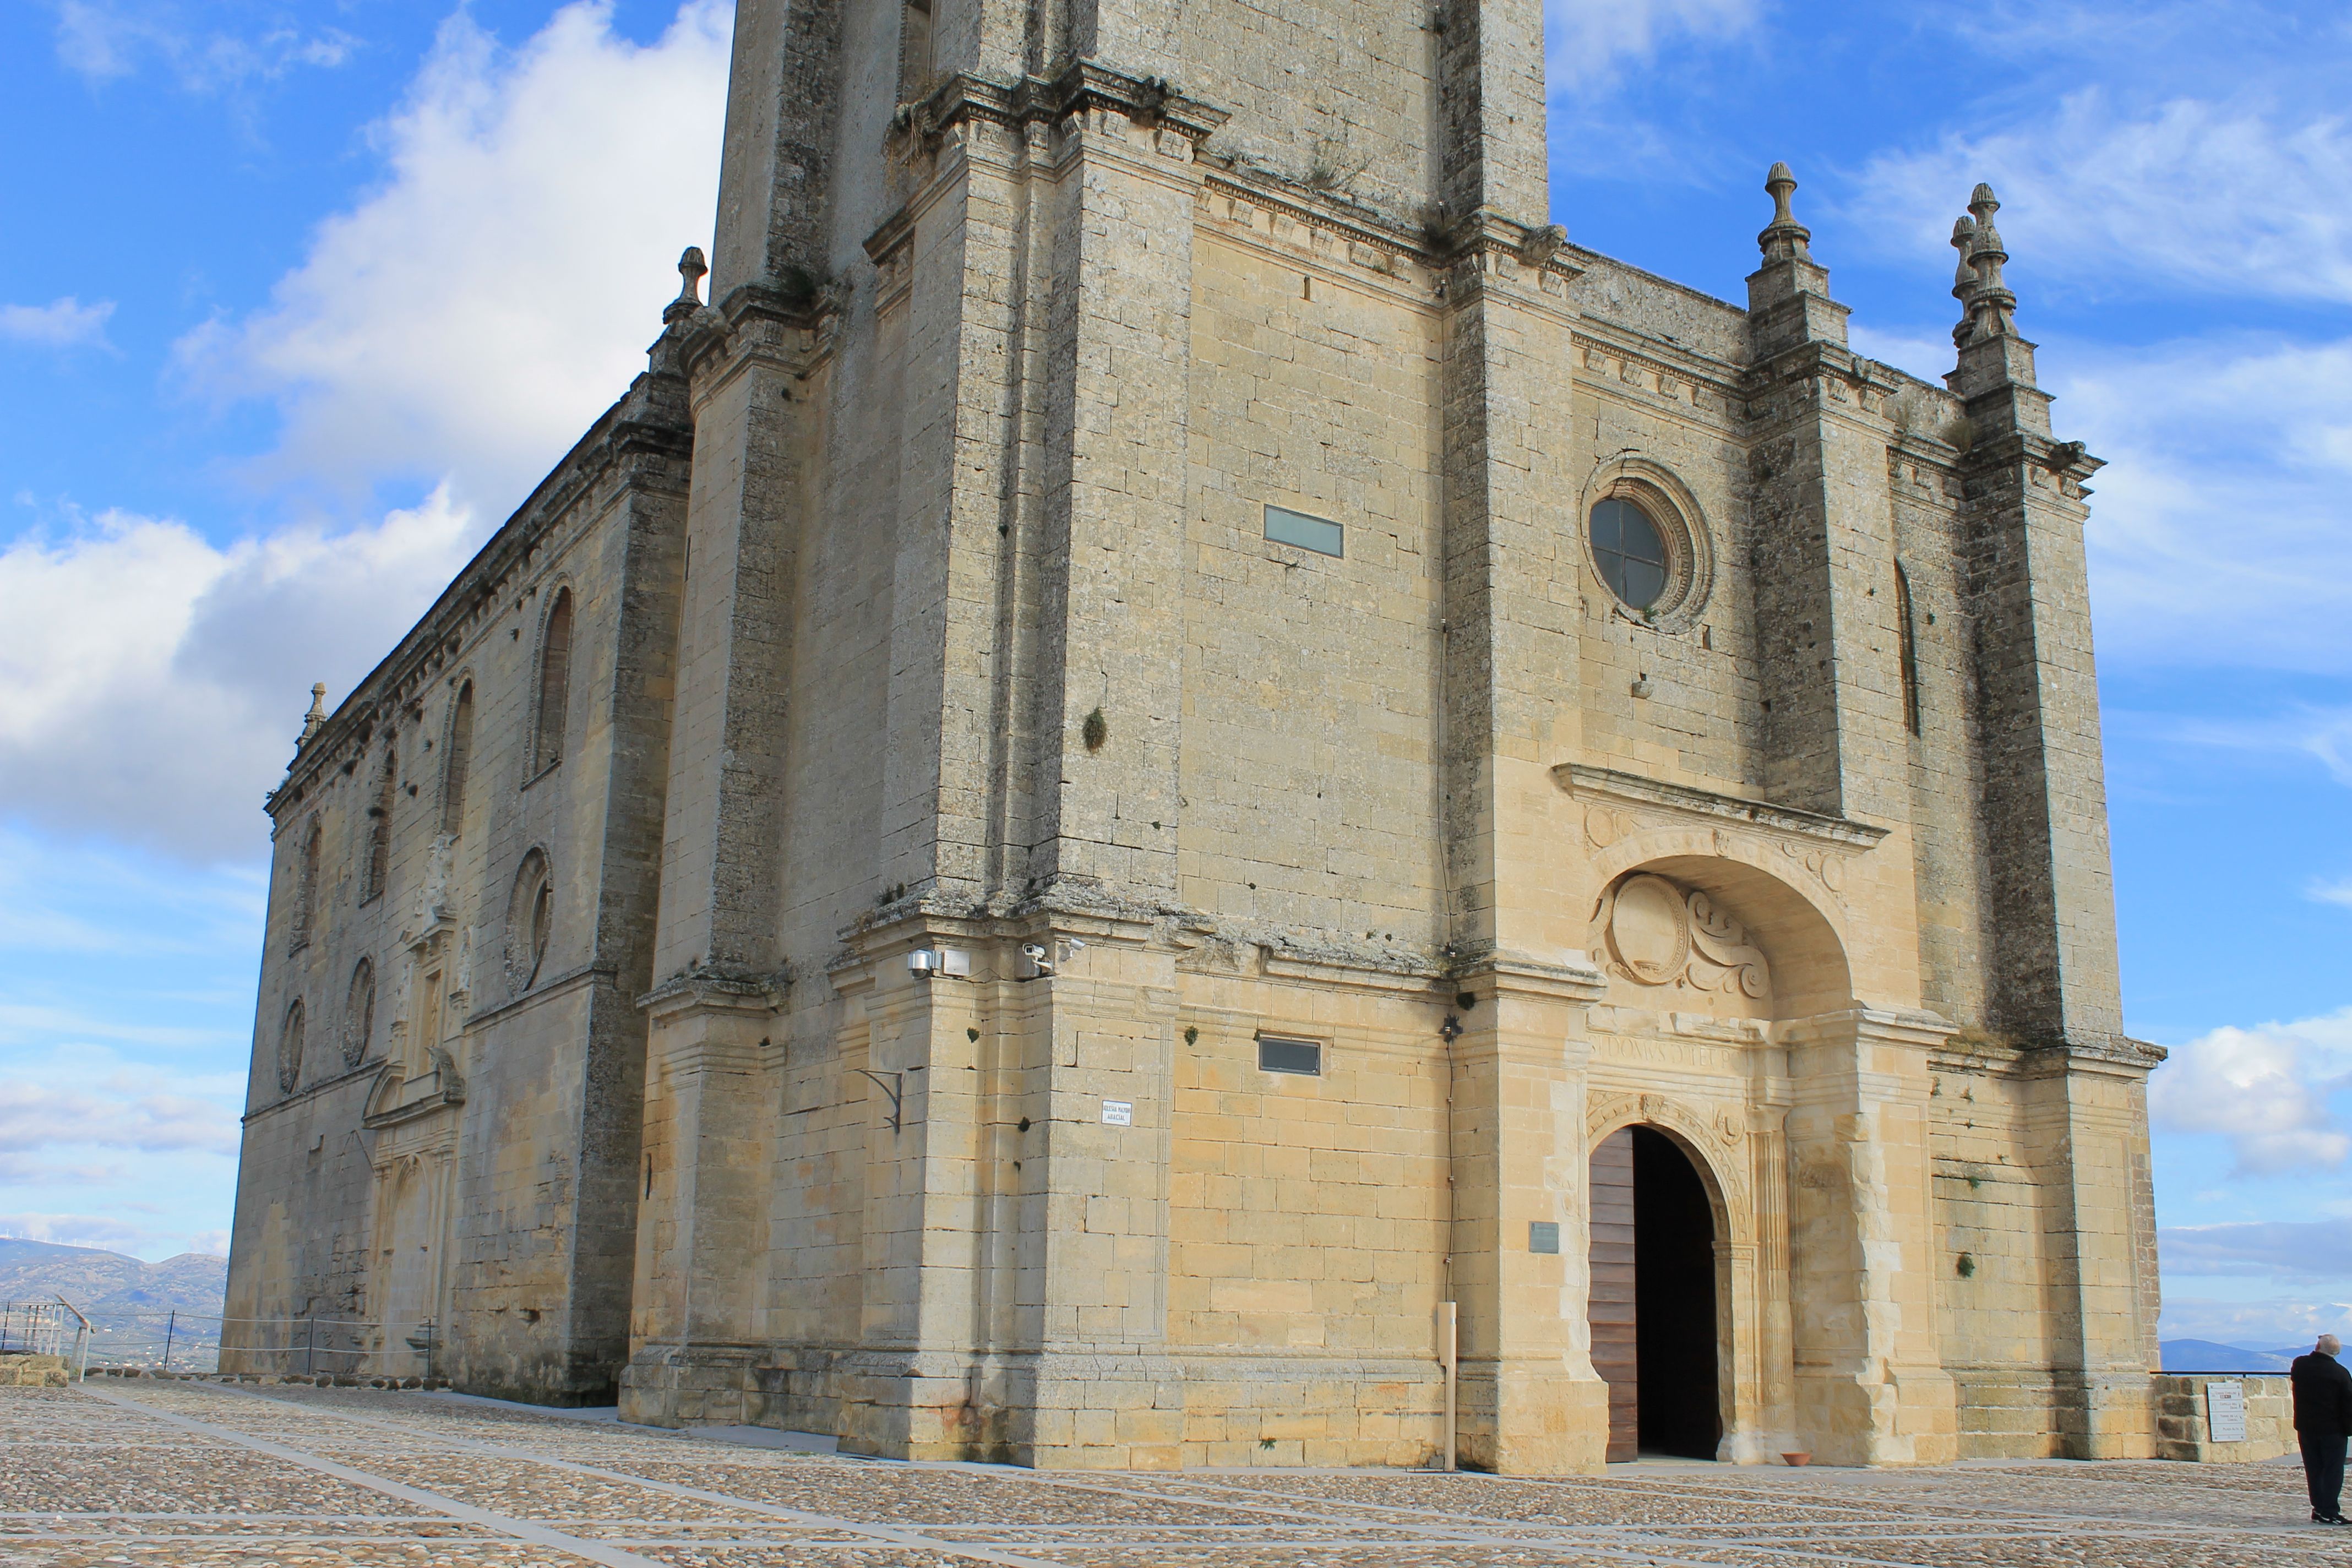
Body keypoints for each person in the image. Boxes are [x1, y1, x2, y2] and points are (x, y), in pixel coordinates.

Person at [2293, 1333, 2352, 1525]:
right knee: (2333, 1471)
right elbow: (2348, 1404)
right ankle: (2330, 1511)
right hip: (2333, 1430)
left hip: (2306, 1427)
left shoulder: (2301, 1365)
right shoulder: (2340, 1373)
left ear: (2318, 1346)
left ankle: (2319, 1508)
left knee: (2314, 1469)